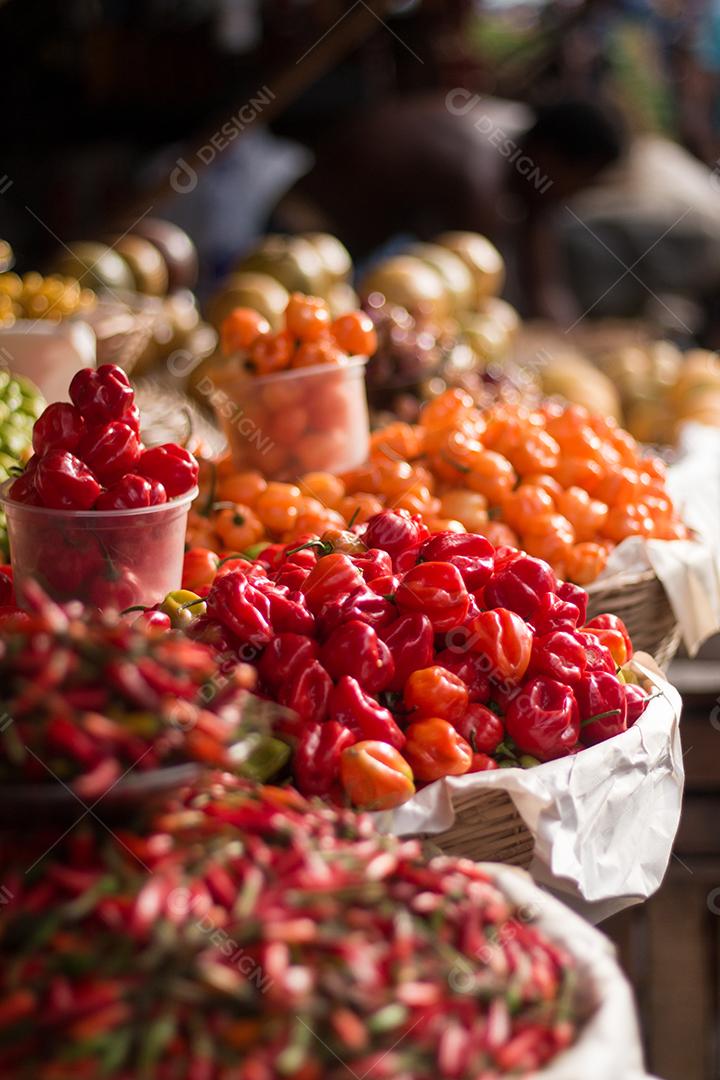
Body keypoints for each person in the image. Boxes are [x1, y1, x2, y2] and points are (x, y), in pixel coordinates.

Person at [273, 93, 626, 321]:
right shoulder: (477, 178)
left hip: (352, 241)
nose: (573, 197)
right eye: (582, 181)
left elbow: (543, 278)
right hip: (299, 233)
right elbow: (475, 295)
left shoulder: (524, 145)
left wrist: (565, 327)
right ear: (554, 159)